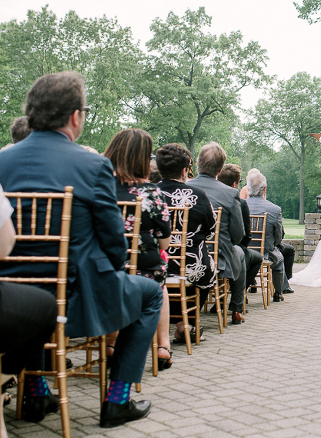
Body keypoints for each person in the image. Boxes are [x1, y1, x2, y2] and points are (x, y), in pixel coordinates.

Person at [0, 71, 160, 428]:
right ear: (75, 116)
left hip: (9, 296)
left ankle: (36, 390)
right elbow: (115, 242)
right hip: (78, 296)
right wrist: (112, 267)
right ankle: (118, 399)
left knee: (36, 284)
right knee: (151, 294)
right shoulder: (91, 165)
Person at [0, 152, 57, 428]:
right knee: (44, 307)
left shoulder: (1, 160)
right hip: (56, 283)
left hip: (9, 282)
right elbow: (0, 245)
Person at [103, 129, 173, 369]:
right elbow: (164, 242)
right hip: (143, 269)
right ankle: (163, 346)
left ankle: (111, 342)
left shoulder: (97, 188)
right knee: (159, 283)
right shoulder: (152, 193)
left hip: (102, 268)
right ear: (144, 159)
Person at [156, 143, 217, 342]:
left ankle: (173, 322)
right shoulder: (198, 195)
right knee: (208, 269)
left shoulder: (149, 194)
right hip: (191, 266)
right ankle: (185, 322)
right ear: (184, 170)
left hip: (156, 264)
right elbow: (210, 229)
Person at [187, 143, 247, 325]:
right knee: (240, 253)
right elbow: (238, 235)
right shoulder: (230, 193)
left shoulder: (184, 187)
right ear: (220, 170)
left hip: (186, 253)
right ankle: (236, 310)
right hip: (219, 256)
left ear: (197, 163)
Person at [217, 164, 263, 300]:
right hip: (229, 250)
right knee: (253, 257)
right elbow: (243, 235)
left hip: (208, 250)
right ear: (234, 184)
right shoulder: (240, 202)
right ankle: (237, 299)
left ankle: (220, 297)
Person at [245, 172, 289, 302]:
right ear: (265, 189)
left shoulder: (240, 205)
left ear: (248, 189)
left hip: (243, 251)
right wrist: (273, 245)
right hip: (265, 252)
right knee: (279, 260)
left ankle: (243, 294)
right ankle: (278, 292)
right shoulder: (274, 209)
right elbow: (278, 235)